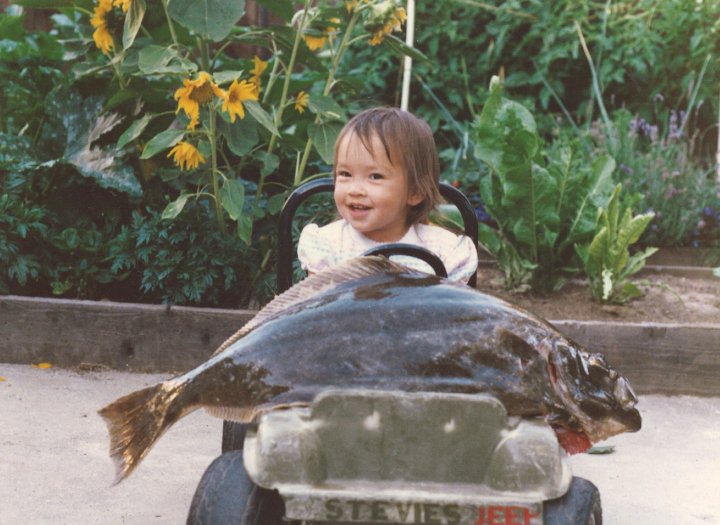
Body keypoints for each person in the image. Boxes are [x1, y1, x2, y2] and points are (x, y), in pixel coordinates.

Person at [297, 107, 478, 283]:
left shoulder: (443, 251)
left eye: (375, 176)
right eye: (345, 174)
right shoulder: (328, 245)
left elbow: (457, 310)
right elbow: (314, 308)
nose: (355, 190)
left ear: (415, 192)